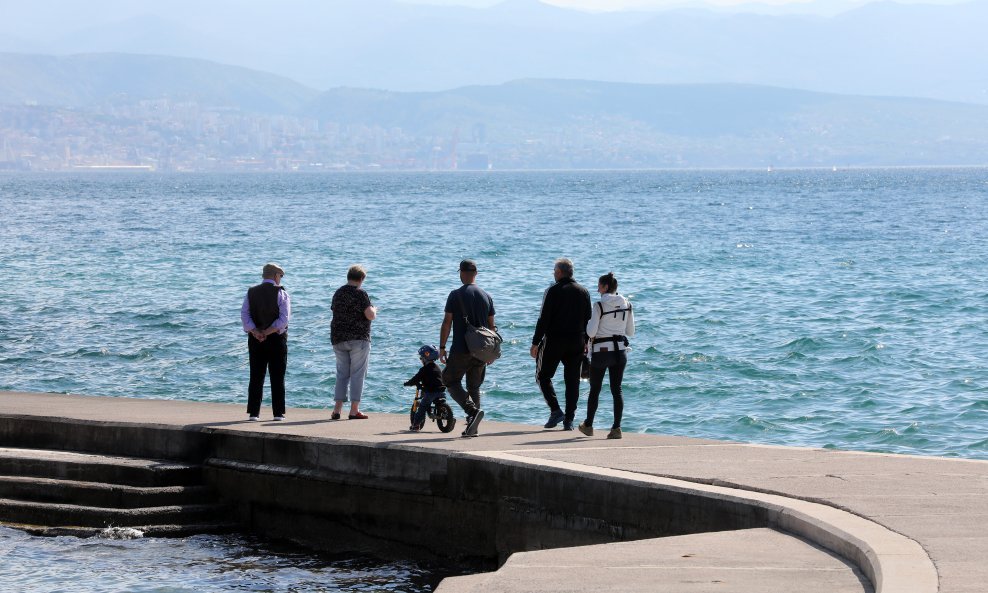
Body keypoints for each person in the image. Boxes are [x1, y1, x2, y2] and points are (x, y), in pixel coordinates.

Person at [530, 257, 592, 431]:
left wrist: (535, 342)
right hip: (577, 341)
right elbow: (589, 319)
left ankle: (556, 410)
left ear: (559, 273)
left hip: (555, 340)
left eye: (554, 271)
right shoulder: (583, 291)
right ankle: (569, 420)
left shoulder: (553, 291)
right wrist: (586, 341)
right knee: (572, 381)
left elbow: (543, 319)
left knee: (542, 375)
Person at [440, 259, 496, 437]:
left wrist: (442, 347)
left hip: (461, 348)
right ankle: (474, 428)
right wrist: (491, 352)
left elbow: (447, 322)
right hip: (481, 350)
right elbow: (491, 327)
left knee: (449, 379)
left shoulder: (455, 295)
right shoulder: (487, 296)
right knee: (474, 387)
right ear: (476, 274)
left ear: (461, 273)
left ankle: (471, 411)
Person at [579, 272, 635, 440]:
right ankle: (616, 428)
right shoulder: (627, 304)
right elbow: (630, 332)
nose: (597, 289)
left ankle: (588, 425)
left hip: (602, 352)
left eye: (599, 286)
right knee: (616, 389)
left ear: (605, 287)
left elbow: (591, 332)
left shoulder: (598, 306)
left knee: (595, 389)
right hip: (620, 351)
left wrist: (590, 324)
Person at [241, 263, 291, 421]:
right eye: (280, 276)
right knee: (277, 376)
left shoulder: (251, 292)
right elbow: (284, 319)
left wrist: (256, 331)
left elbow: (244, 315)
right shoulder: (282, 293)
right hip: (276, 339)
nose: (280, 279)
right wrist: (267, 331)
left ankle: (254, 413)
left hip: (256, 340)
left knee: (256, 375)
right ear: (276, 275)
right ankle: (278, 413)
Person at [330, 265, 377, 420]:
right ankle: (354, 410)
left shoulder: (338, 293)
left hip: (338, 338)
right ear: (361, 279)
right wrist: (374, 309)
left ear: (348, 276)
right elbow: (370, 315)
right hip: (358, 338)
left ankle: (337, 410)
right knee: (357, 374)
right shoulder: (361, 293)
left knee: (342, 374)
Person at [404, 345, 447, 432]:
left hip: (431, 393)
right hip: (442, 391)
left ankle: (415, 425)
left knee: (422, 407)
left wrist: (408, 383)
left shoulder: (424, 369)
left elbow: (416, 379)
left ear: (425, 358)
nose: (421, 360)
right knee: (435, 401)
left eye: (421, 358)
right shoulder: (438, 368)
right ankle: (446, 414)